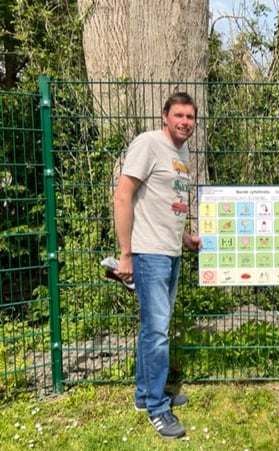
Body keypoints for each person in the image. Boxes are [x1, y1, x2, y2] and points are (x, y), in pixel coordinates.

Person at [112, 92, 202, 439]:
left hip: (170, 252)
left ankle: (144, 395)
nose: (185, 122)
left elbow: (165, 206)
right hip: (148, 254)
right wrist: (126, 254)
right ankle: (157, 408)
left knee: (154, 328)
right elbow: (123, 195)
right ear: (165, 116)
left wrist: (185, 238)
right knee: (158, 331)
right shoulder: (148, 144)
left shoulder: (182, 152)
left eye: (190, 117)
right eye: (178, 115)